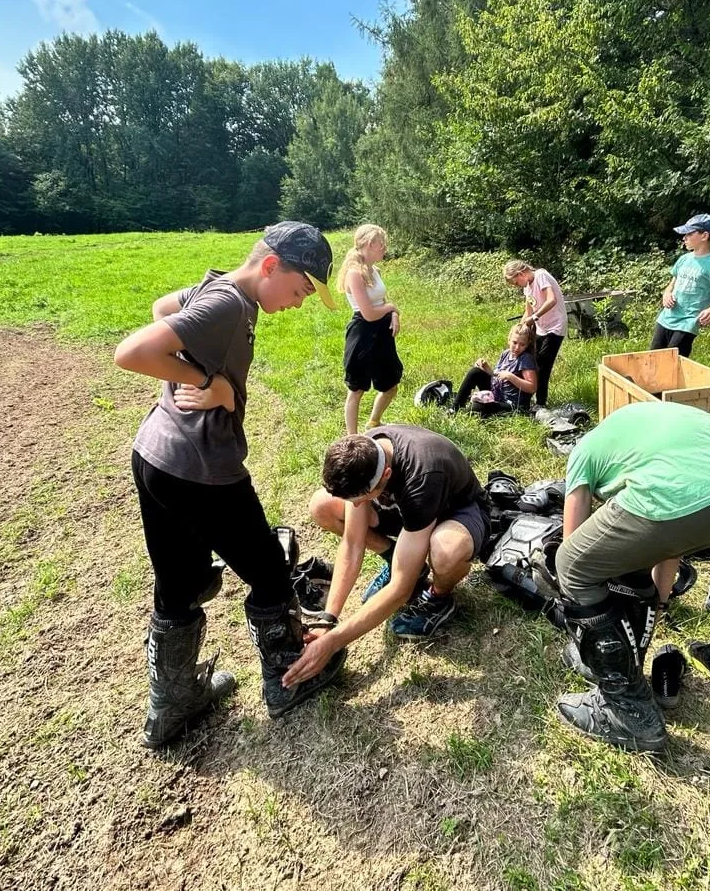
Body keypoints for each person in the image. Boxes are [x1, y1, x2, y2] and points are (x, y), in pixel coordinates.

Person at [113, 221, 347, 749]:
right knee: (267, 571)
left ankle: (171, 707)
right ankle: (289, 680)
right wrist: (208, 384)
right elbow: (131, 352)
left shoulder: (216, 287)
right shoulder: (228, 305)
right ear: (270, 267)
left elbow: (160, 307)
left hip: (154, 454)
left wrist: (184, 376)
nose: (300, 302)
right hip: (200, 469)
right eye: (301, 289)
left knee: (178, 577)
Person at [554, 401, 710, 752]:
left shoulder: (584, 451)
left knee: (574, 565)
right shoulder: (641, 433)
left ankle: (627, 710)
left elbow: (573, 549)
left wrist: (579, 621)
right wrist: (662, 602)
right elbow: (670, 543)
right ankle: (623, 658)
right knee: (634, 548)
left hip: (684, 493)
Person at [283, 425, 491, 687]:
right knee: (322, 506)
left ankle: (438, 597)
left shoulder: (422, 478)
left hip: (456, 510)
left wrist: (332, 643)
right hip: (411, 511)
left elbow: (400, 590)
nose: (356, 506)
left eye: (361, 499)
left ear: (386, 475)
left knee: (446, 550)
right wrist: (328, 619)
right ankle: (395, 556)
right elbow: (352, 542)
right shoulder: (365, 451)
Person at [339, 224, 404, 434]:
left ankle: (374, 422)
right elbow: (368, 313)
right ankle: (352, 438)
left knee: (391, 384)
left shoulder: (374, 270)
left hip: (382, 333)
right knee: (356, 390)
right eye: (381, 244)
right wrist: (392, 308)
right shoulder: (354, 274)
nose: (384, 249)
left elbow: (382, 301)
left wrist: (393, 314)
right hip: (363, 334)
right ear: (369, 244)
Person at [651, 213, 710, 358]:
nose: (684, 238)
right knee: (654, 359)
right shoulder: (683, 259)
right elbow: (671, 284)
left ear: (704, 236)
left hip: (688, 322)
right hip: (666, 317)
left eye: (689, 234)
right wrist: (666, 294)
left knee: (672, 361)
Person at [503, 260, 567, 408]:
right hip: (541, 329)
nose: (517, 286)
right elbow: (528, 311)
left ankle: (540, 403)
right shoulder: (527, 288)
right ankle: (524, 398)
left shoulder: (540, 275)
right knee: (531, 362)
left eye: (516, 282)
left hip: (555, 327)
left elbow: (551, 300)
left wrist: (534, 318)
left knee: (543, 365)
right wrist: (519, 327)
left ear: (520, 274)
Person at [450, 322, 538, 416]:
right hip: (497, 395)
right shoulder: (506, 354)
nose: (517, 347)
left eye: (522, 345)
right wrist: (486, 369)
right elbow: (498, 377)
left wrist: (510, 376)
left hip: (512, 405)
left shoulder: (525, 359)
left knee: (476, 408)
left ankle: (469, 410)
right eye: (514, 343)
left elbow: (532, 388)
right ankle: (454, 408)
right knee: (475, 372)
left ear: (527, 344)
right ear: (509, 340)